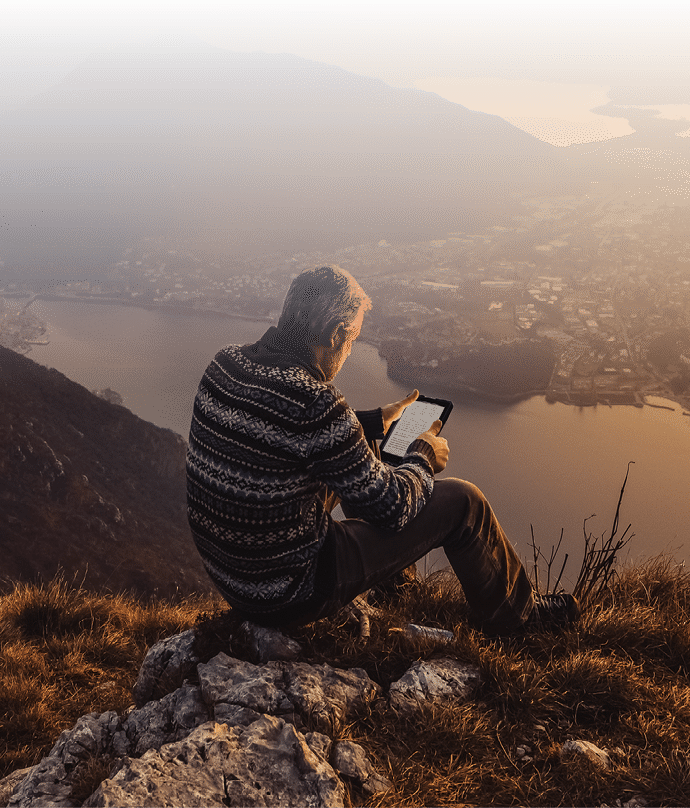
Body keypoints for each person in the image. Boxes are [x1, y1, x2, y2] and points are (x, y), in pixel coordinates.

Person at [186, 264, 578, 634]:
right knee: (464, 503)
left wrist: (372, 422)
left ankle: (395, 588)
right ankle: (518, 617)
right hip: (291, 590)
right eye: (353, 340)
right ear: (337, 334)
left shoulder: (225, 364)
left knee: (368, 449)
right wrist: (422, 455)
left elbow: (278, 431)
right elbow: (393, 510)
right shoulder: (316, 403)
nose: (351, 350)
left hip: (234, 576)